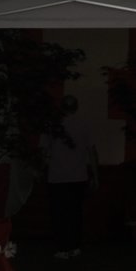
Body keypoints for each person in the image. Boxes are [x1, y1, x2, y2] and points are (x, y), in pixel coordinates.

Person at [45, 94, 98, 258]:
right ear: (76, 107)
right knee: (75, 213)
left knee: (59, 213)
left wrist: (40, 169)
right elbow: (92, 152)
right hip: (78, 176)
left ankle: (62, 247)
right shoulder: (84, 125)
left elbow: (44, 151)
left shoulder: (52, 125)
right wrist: (96, 176)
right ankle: (74, 245)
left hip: (57, 176)